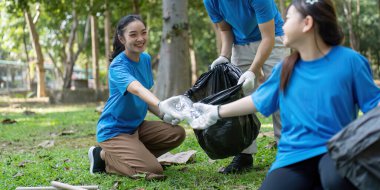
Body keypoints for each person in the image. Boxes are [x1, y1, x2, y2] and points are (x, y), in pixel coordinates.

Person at [192, 0, 380, 189]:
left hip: (336, 149)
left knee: (336, 180)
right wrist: (215, 111)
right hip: (294, 156)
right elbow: (257, 100)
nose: (282, 23)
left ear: (307, 23)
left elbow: (374, 106)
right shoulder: (286, 67)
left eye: (288, 18)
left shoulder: (351, 62)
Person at [87, 15, 185, 180]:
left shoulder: (145, 59)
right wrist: (161, 105)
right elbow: (138, 89)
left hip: (136, 127)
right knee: (154, 170)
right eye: (133, 34)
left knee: (177, 133)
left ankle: (136, 155)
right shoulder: (117, 66)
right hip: (114, 131)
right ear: (122, 38)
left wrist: (164, 114)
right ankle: (104, 157)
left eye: (143, 33)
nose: (140, 39)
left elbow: (145, 97)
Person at [203, 0, 290, 174]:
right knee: (237, 97)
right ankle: (244, 155)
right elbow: (225, 29)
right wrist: (224, 56)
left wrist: (253, 70)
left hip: (273, 40)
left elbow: (268, 37)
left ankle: (287, 153)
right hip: (240, 44)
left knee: (280, 95)